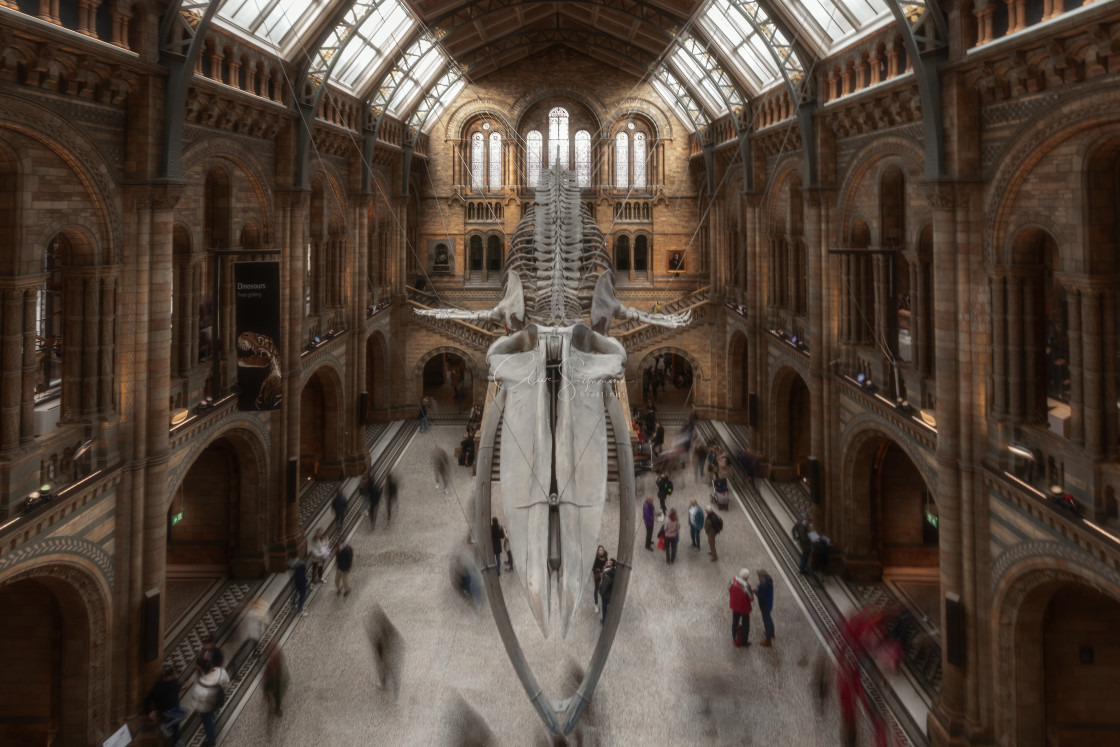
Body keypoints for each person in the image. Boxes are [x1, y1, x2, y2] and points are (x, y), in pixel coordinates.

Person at [190, 659, 229, 747]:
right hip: (217, 701)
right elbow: (226, 682)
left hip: (206, 707)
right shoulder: (220, 671)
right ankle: (213, 716)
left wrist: (196, 708)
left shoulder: (201, 683)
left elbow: (196, 699)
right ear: (212, 667)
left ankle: (211, 742)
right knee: (211, 716)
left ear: (202, 670)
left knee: (208, 724)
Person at [144, 666, 184, 746]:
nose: (174, 677)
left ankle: (176, 741)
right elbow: (147, 700)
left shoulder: (173, 681)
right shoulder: (159, 687)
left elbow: (177, 687)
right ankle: (166, 727)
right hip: (166, 709)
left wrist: (180, 688)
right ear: (167, 677)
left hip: (175, 706)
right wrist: (149, 712)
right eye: (172, 676)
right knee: (180, 716)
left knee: (176, 723)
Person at [262, 642, 289, 716]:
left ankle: (276, 707)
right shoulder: (272, 663)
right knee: (275, 695)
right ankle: (276, 707)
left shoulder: (274, 662)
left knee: (276, 696)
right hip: (273, 682)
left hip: (275, 683)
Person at [729, 568, 754, 647]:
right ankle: (744, 641)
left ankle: (735, 636)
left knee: (735, 621)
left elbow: (729, 589)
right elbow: (751, 598)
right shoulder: (746, 587)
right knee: (745, 624)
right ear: (746, 577)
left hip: (735, 606)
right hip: (744, 608)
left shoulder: (733, 581)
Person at [756, 569, 775, 646]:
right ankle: (772, 632)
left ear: (761, 576)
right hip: (768, 604)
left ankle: (768, 639)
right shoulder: (768, 580)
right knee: (769, 618)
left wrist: (755, 591)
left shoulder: (763, 585)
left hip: (764, 605)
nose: (758, 578)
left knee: (766, 620)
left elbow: (761, 596)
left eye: (758, 577)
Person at [598, 558, 616, 624]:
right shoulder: (610, 571)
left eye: (610, 562)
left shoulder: (607, 574)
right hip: (608, 594)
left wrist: (601, 593)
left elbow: (605, 586)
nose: (608, 562)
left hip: (606, 595)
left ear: (612, 565)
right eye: (608, 561)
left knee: (604, 608)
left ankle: (604, 621)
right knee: (606, 607)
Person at [591, 545, 608, 613]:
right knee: (596, 590)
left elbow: (607, 564)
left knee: (604, 590)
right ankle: (596, 605)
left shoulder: (605, 557)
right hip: (598, 576)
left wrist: (605, 568)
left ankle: (606, 604)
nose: (601, 551)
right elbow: (593, 568)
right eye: (600, 550)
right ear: (598, 551)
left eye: (602, 550)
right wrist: (598, 570)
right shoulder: (596, 558)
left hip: (604, 576)